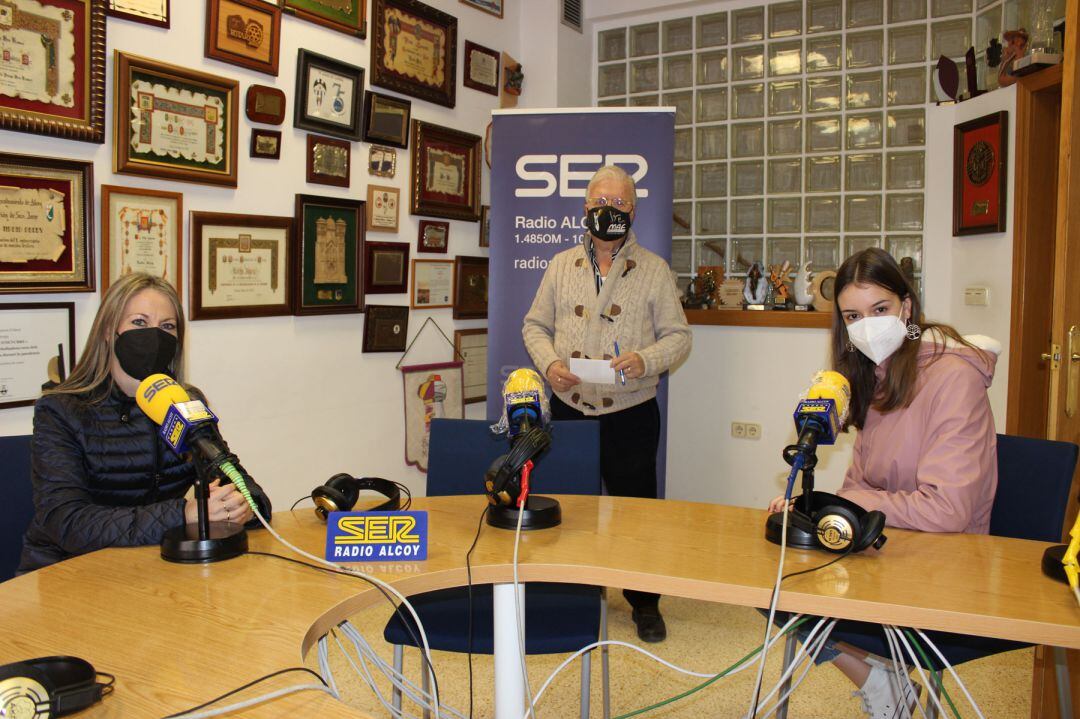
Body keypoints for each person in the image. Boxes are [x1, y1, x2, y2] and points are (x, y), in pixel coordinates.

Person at [768, 248, 999, 718]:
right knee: (772, 587)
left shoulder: (954, 378)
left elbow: (947, 509)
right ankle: (880, 678)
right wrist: (811, 504)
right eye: (853, 315)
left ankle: (885, 676)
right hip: (888, 550)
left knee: (800, 599)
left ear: (907, 308)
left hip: (946, 565)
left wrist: (850, 500)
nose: (867, 325)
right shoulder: (874, 376)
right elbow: (862, 481)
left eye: (880, 310)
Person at [522, 165, 692, 642]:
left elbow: (679, 336)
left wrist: (647, 359)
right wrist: (551, 362)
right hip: (571, 409)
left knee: (638, 513)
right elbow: (533, 325)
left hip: (631, 412)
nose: (608, 211)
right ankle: (570, 596)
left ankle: (644, 602)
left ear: (633, 211)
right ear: (585, 208)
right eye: (600, 202)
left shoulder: (654, 270)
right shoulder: (560, 266)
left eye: (619, 204)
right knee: (571, 511)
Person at [19, 273, 272, 573]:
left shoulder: (185, 402)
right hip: (67, 571)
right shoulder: (61, 410)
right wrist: (185, 514)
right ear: (108, 330)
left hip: (155, 566)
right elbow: (66, 521)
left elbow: (250, 494)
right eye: (139, 322)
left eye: (167, 326)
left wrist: (239, 504)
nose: (154, 336)